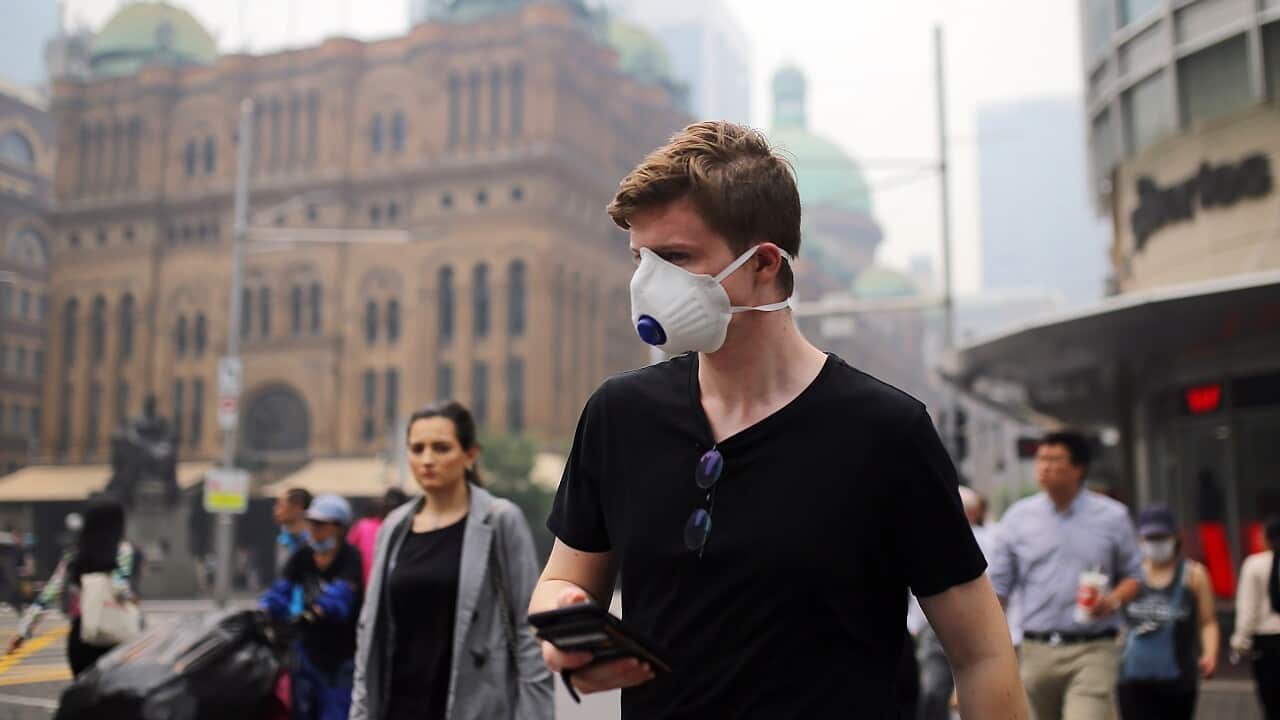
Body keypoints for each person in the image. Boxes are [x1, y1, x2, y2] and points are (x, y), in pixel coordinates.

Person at [531, 121, 1026, 719]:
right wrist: (563, 621)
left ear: (764, 263)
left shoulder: (886, 432)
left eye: (675, 258)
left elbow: (981, 655)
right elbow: (562, 581)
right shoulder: (619, 415)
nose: (646, 284)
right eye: (640, 259)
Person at [351, 402, 552, 720]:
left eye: (441, 448)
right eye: (417, 449)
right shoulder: (394, 527)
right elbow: (370, 631)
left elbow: (529, 631)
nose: (427, 459)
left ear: (470, 455)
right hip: (397, 706)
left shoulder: (500, 520)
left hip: (476, 706)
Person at [988, 430, 1143, 720]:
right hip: (1036, 650)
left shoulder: (1113, 516)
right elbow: (998, 589)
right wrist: (988, 651)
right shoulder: (1018, 518)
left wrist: (1112, 600)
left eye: (1054, 459)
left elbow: (1135, 575)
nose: (1044, 466)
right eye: (1041, 459)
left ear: (1078, 468)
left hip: (1093, 648)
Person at [8, 496, 142, 675]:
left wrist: (23, 631)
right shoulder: (123, 550)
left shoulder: (75, 554)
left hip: (82, 635)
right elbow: (121, 587)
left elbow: (49, 594)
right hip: (116, 635)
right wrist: (132, 598)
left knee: (84, 696)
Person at [260, 494, 363, 720]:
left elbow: (341, 595)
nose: (314, 530)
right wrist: (266, 609)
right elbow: (282, 588)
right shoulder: (303, 556)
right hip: (307, 650)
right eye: (312, 523)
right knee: (303, 709)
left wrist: (315, 612)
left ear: (338, 528)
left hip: (341, 655)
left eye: (321, 525)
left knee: (335, 711)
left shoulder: (350, 557)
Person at [1115, 504, 1219, 720]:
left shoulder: (1194, 575)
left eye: (1162, 537)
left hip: (1179, 680)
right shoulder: (1129, 578)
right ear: (1140, 540)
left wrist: (1210, 653)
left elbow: (1207, 621)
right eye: (1150, 538)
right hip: (1131, 678)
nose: (1157, 543)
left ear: (1176, 536)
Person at [1232, 515, 1280, 720]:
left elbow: (1248, 610)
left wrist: (1240, 643)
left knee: (1272, 706)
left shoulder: (1254, 564)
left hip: (1267, 644)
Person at [347, 488, 409, 587]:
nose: (393, 512)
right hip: (363, 589)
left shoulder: (409, 530)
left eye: (396, 508)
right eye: (389, 507)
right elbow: (347, 553)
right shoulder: (364, 526)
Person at [275, 487, 314, 574]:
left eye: (280, 505)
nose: (275, 510)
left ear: (297, 508)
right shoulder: (282, 540)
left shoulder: (316, 541)